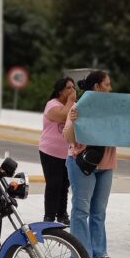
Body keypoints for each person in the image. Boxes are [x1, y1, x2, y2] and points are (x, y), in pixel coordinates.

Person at [64, 71, 130, 258]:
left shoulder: (114, 109)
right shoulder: (79, 107)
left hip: (106, 164)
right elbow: (68, 138)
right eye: (107, 85)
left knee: (99, 211)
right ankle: (80, 254)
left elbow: (127, 132)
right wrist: (74, 121)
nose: (110, 89)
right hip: (81, 164)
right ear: (97, 87)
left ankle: (99, 251)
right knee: (81, 210)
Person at [39, 77, 76, 224]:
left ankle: (62, 214)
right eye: (68, 88)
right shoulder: (51, 105)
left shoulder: (73, 105)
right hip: (50, 152)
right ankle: (49, 216)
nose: (72, 90)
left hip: (67, 153)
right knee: (53, 184)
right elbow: (64, 115)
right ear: (60, 91)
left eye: (73, 87)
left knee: (64, 185)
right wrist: (71, 101)